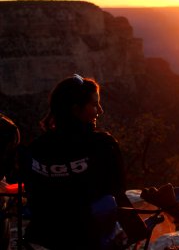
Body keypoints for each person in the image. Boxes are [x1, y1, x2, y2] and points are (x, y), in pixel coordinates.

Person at [23, 74, 129, 249]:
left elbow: (33, 194)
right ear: (75, 109)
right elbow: (116, 189)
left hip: (41, 237)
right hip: (86, 239)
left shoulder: (35, 148)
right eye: (94, 105)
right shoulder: (103, 145)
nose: (100, 110)